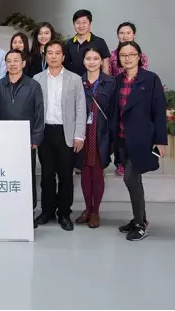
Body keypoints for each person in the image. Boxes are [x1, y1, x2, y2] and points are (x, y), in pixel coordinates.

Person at [111, 41, 167, 241]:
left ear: (139, 56)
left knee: (130, 178)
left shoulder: (150, 79)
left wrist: (161, 140)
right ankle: (139, 219)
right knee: (135, 180)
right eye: (123, 55)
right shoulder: (117, 80)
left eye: (131, 54)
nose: (127, 58)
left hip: (142, 139)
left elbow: (159, 111)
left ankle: (141, 224)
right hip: (122, 138)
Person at [33, 40, 86, 231]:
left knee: (65, 176)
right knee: (47, 176)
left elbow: (81, 108)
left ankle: (64, 213)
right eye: (50, 53)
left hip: (67, 133)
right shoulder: (37, 79)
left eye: (57, 53)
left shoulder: (74, 79)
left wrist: (79, 135)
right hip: (45, 132)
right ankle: (47, 212)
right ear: (45, 56)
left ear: (63, 56)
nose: (53, 56)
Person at [0, 49, 44, 228]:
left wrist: (36, 138)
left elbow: (39, 113)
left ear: (23, 63)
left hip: (26, 141)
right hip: (4, 141)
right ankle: (7, 210)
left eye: (16, 60)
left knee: (27, 176)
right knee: (5, 175)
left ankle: (29, 211)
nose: (12, 64)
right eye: (9, 61)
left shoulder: (33, 85)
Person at [75, 47, 115, 229]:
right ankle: (87, 208)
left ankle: (95, 211)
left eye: (95, 58)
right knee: (85, 172)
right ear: (83, 61)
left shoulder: (110, 82)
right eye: (88, 58)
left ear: (101, 61)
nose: (91, 62)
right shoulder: (77, 81)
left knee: (97, 172)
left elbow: (114, 111)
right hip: (82, 132)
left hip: (101, 132)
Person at [109, 22, 150, 176]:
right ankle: (120, 162)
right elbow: (110, 74)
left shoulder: (141, 55)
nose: (125, 36)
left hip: (136, 96)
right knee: (119, 129)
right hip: (119, 93)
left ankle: (135, 162)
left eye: (128, 32)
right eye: (121, 33)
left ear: (134, 34)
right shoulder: (112, 55)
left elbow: (143, 77)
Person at [65, 9, 111, 76]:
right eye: (78, 23)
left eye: (84, 22)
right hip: (74, 81)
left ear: (90, 23)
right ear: (74, 24)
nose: (81, 26)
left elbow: (105, 67)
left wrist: (105, 81)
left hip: (95, 81)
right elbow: (66, 66)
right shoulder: (69, 43)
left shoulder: (100, 42)